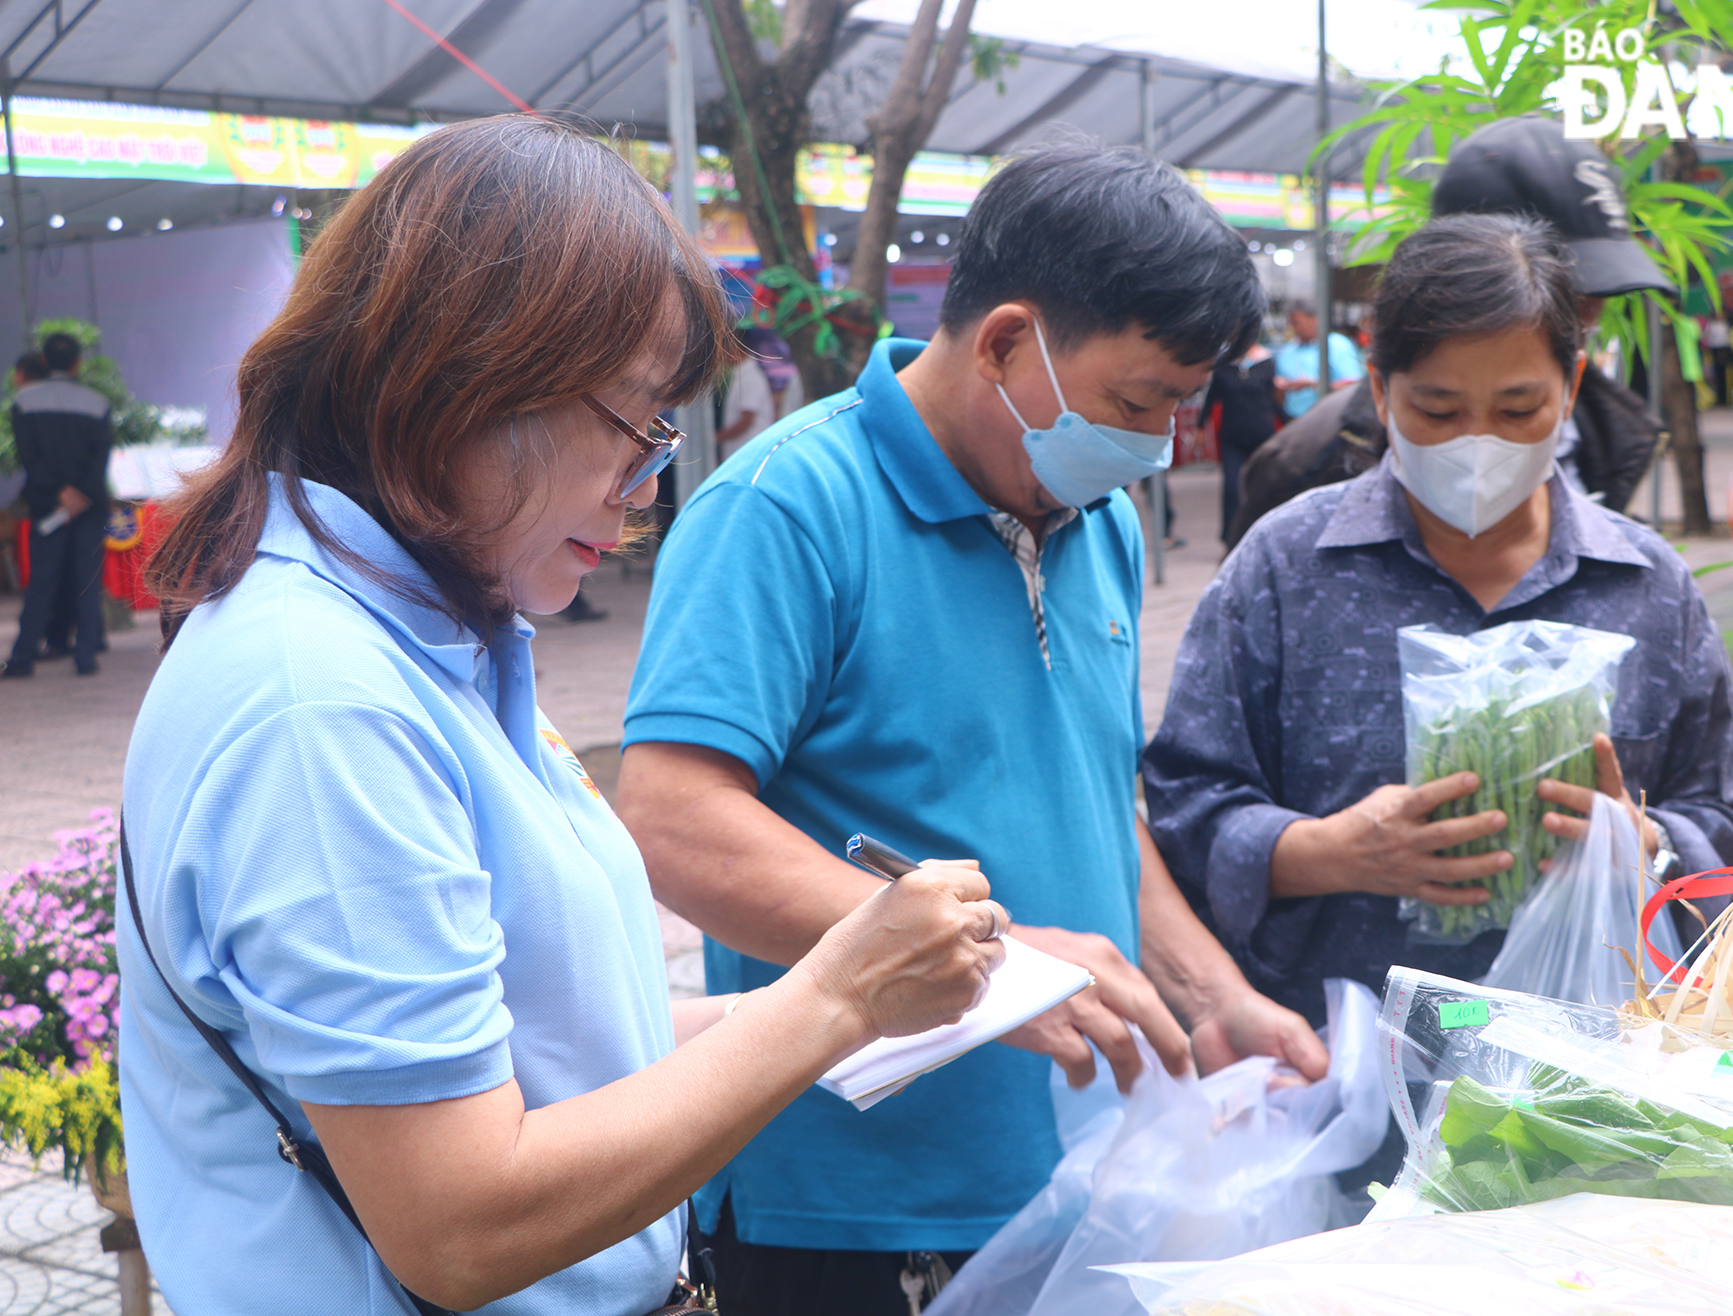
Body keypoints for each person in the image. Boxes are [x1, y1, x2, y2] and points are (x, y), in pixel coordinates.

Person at [118, 115, 1007, 1316]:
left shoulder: (426, 639)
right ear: (469, 381)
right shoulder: (320, 703)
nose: (646, 482)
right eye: (634, 422)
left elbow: (537, 1044)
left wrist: (815, 1008)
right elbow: (461, 1224)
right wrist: (830, 997)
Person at [618, 144, 1329, 1316]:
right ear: (1004, 342)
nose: (1152, 446)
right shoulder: (787, 509)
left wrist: (1211, 996)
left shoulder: (1095, 519)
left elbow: (1096, 803)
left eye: (1175, 411)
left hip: (1077, 1176)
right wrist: (1003, 970)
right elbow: (671, 821)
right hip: (857, 1204)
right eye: (1132, 402)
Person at [1142, 215, 1733, 1178]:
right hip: (1327, 1097)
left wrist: (1640, 843)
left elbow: (1728, 823)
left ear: (1572, 386)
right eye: (1437, 410)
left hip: (1589, 1112)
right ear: (1379, 391)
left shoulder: (1645, 585)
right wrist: (1330, 852)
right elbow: (1183, 804)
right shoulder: (1285, 568)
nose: (1478, 443)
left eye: (1518, 409)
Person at [1226, 116, 1666, 546]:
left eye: (1521, 410)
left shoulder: (1608, 429)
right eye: (1438, 413)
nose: (1589, 314)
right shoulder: (1312, 461)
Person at [4, 332, 112, 678]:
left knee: (42, 581)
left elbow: (30, 457)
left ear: (45, 362)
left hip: (47, 506)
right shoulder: (98, 402)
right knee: (86, 580)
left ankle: (22, 659)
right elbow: (100, 460)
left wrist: (59, 492)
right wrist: (80, 492)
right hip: (89, 506)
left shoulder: (24, 403)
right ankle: (85, 657)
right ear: (78, 363)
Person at [1203, 342, 1276, 542]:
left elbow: (1274, 400)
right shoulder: (1224, 366)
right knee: (1232, 489)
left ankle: (1265, 533)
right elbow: (1211, 398)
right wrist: (1201, 426)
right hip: (1232, 436)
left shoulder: (1266, 362)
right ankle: (1231, 538)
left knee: (1264, 486)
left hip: (1262, 434)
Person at [1271, 301, 1362, 423]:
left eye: (1298, 323)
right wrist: (1281, 387)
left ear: (1315, 319)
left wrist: (1315, 384)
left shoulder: (1338, 346)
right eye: (1291, 324)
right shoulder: (1286, 352)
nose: (1295, 329)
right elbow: (1278, 397)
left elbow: (1352, 386)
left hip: (1329, 421)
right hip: (1293, 421)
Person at [715, 342, 777, 459]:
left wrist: (716, 438)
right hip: (743, 449)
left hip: (750, 449)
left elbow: (747, 420)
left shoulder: (751, 378)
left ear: (737, 351)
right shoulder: (742, 375)